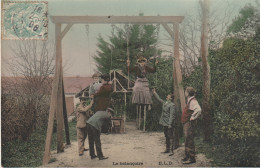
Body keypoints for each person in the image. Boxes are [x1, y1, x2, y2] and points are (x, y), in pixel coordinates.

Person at [152, 88, 176, 156]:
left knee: (170, 136)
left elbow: (172, 115)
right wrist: (154, 93)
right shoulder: (165, 103)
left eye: (168, 96)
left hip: (169, 123)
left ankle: (172, 151)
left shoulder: (172, 105)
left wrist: (170, 124)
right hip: (164, 122)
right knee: (166, 136)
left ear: (171, 98)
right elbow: (159, 99)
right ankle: (167, 149)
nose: (167, 96)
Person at [181, 87, 201, 164]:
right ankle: (187, 156)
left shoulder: (193, 101)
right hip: (186, 123)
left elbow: (198, 109)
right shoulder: (190, 100)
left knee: (189, 139)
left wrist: (192, 117)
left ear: (188, 93)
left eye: (185, 91)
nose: (184, 92)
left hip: (189, 123)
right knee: (186, 139)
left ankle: (192, 158)